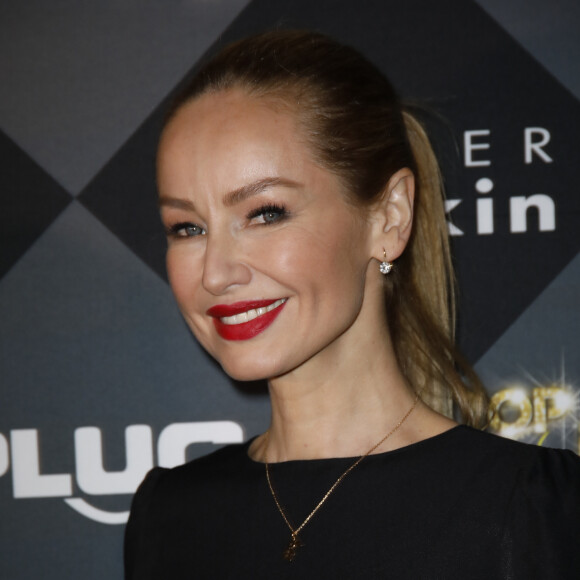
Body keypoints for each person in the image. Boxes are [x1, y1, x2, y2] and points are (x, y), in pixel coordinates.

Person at [124, 30, 580, 579]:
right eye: (187, 227)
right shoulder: (168, 515)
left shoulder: (534, 509)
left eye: (266, 213)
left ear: (388, 217)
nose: (215, 273)